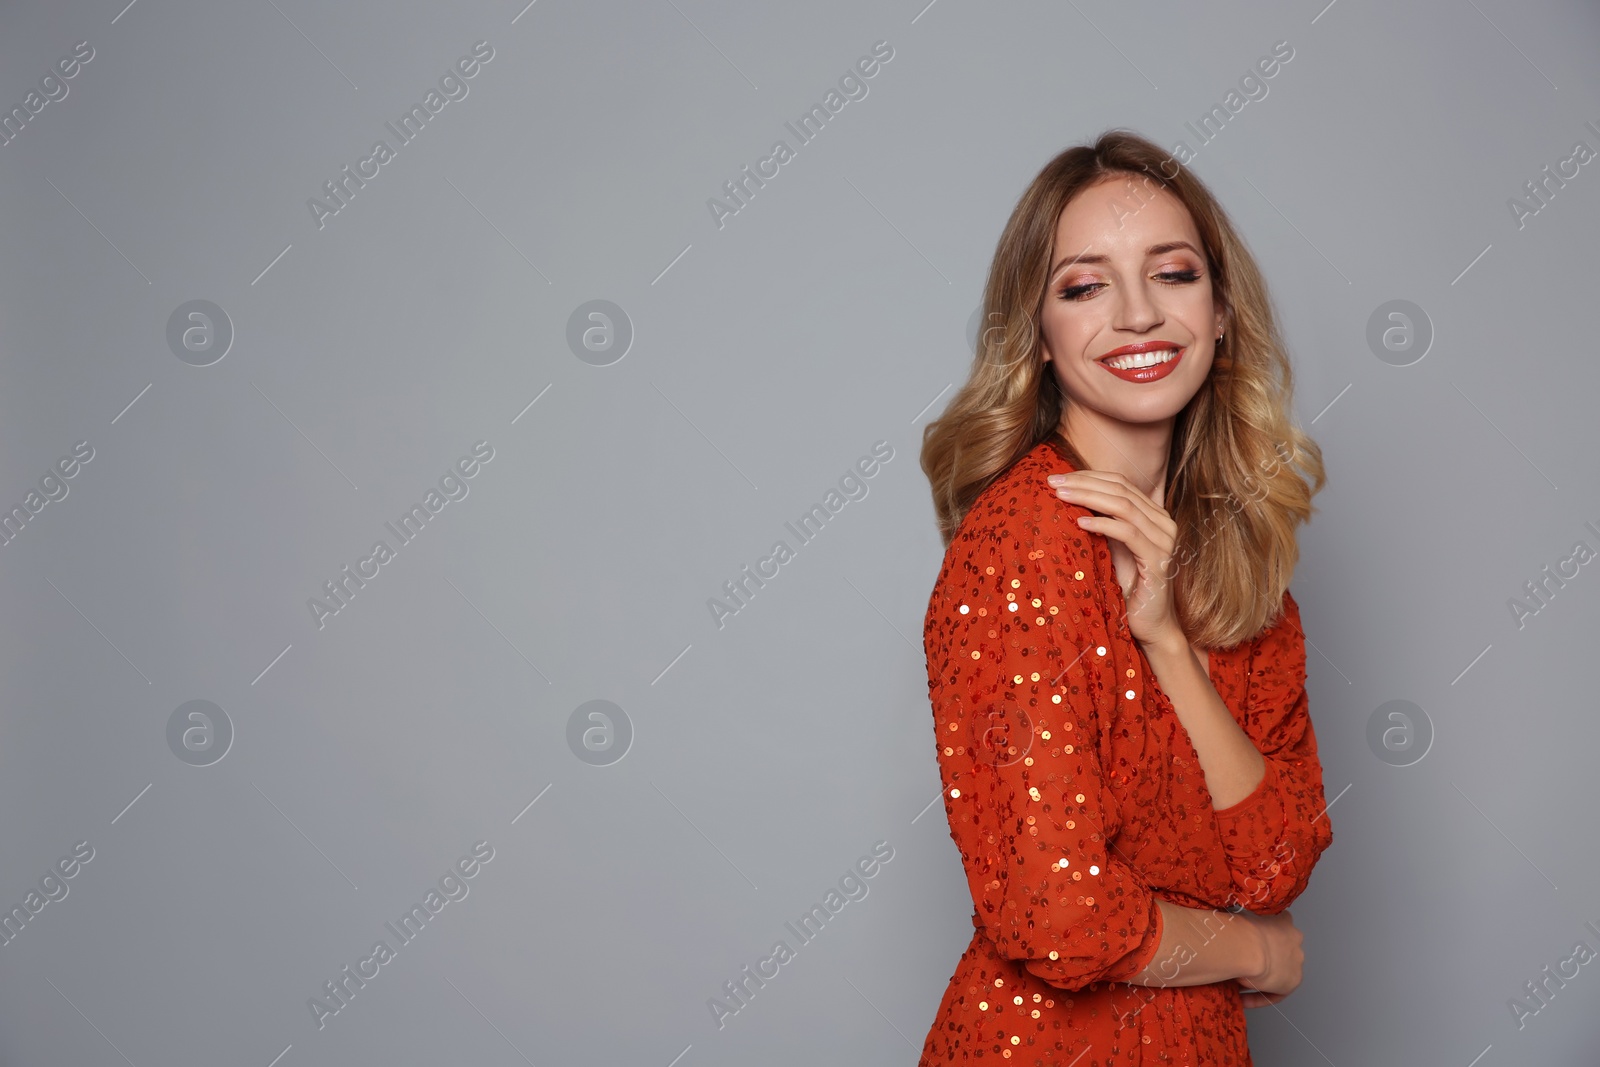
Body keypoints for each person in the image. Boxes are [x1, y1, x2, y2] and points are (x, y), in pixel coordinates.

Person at [917, 129, 1334, 1064]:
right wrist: (1255, 951)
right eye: (1085, 285)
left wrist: (1172, 645)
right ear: (1041, 334)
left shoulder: (1236, 555)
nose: (1139, 314)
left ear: (1221, 311)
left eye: (1173, 273)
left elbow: (1277, 861)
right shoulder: (1018, 551)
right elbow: (1054, 911)